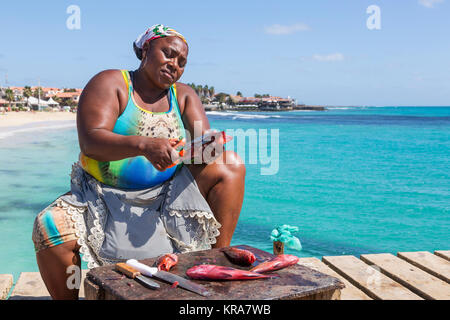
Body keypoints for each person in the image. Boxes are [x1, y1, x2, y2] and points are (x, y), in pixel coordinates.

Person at [32, 24, 246, 300]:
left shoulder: (183, 95)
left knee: (231, 164)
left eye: (182, 62)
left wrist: (209, 146)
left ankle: (213, 266)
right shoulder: (112, 83)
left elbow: (202, 143)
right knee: (49, 226)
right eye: (168, 54)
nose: (175, 65)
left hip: (168, 195)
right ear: (146, 49)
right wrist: (145, 145)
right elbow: (91, 142)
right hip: (101, 197)